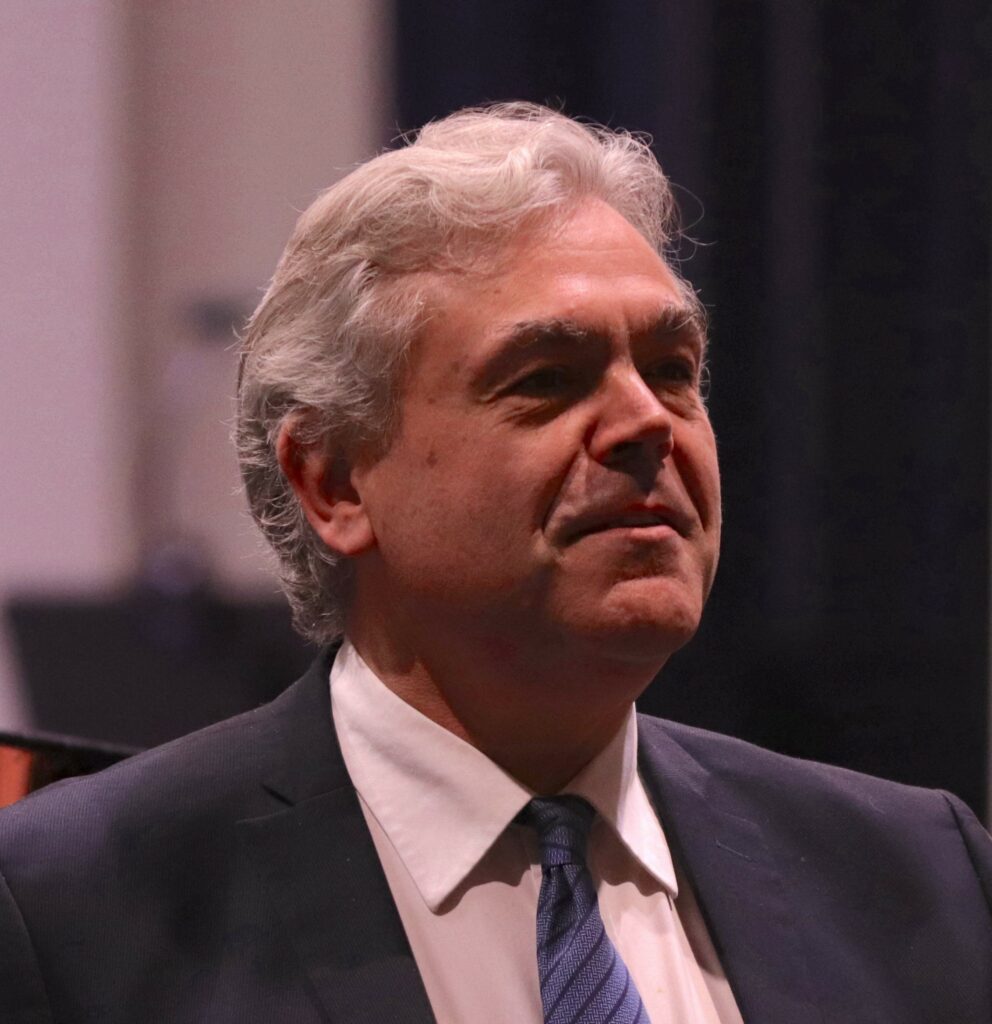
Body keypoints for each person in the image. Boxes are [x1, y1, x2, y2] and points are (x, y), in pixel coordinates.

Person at [0, 103, 989, 1024]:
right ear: (333, 481)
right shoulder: (70, 909)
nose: (648, 421)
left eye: (671, 368)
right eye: (547, 379)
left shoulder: (922, 878)